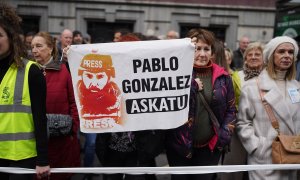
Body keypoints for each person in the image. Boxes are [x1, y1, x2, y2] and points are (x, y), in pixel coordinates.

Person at [165, 28, 236, 180]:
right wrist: (192, 86)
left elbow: (231, 109)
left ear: (212, 52)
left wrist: (223, 136)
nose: (202, 54)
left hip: (210, 147)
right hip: (179, 146)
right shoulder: (174, 73)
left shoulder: (223, 77)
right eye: (197, 49)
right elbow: (166, 101)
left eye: (206, 49)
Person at [237, 36, 300, 180]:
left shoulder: (296, 87)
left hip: (292, 157)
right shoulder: (252, 87)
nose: (286, 56)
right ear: (271, 55)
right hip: (265, 160)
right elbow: (242, 123)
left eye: (290, 52)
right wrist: (258, 148)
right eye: (281, 51)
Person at [0, 3, 50, 180]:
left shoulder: (31, 71)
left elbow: (40, 117)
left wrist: (43, 159)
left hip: (22, 159)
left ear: (12, 38)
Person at [31, 31, 80, 180]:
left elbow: (74, 101)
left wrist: (73, 127)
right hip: (35, 141)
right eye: (32, 46)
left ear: (51, 48)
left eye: (39, 46)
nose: (34, 50)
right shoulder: (28, 71)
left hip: (62, 140)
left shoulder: (64, 70)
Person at [220, 42, 264, 180]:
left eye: (257, 54)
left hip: (262, 129)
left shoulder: (269, 78)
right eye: (249, 55)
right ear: (245, 59)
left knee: (259, 169)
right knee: (234, 169)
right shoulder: (236, 76)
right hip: (238, 129)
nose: (253, 57)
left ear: (264, 58)